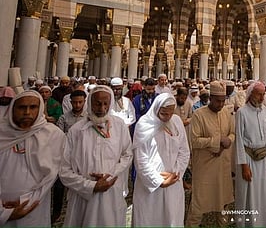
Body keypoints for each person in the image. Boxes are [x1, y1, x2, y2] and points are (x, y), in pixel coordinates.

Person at [60, 86, 133, 227]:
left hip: (111, 190)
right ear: (90, 103)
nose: (102, 108)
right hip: (82, 195)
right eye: (98, 103)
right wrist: (91, 185)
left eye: (106, 104)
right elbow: (64, 170)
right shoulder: (76, 131)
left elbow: (127, 154)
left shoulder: (119, 126)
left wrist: (109, 176)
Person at [0, 90, 65, 227]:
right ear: (12, 109)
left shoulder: (53, 135)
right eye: (22, 107)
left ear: (40, 108)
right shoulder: (2, 132)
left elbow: (50, 176)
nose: (27, 112)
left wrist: (26, 201)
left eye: (33, 107)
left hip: (35, 206)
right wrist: (3, 211)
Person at [132, 93, 190, 227]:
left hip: (174, 182)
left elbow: (184, 151)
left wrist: (175, 173)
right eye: (164, 113)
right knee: (149, 219)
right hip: (150, 187)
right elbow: (141, 160)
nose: (167, 117)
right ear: (156, 109)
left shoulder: (176, 122)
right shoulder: (144, 125)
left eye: (170, 113)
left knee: (172, 219)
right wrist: (158, 181)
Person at [187, 81, 235, 227]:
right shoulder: (199, 115)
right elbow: (194, 141)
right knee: (198, 203)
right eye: (218, 101)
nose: (221, 104)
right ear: (210, 98)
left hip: (222, 165)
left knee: (223, 201)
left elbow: (232, 133)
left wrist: (228, 141)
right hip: (204, 166)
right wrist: (216, 141)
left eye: (223, 101)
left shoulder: (226, 112)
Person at [235, 81, 266, 227]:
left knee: (263, 193)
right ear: (251, 94)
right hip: (248, 159)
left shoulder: (264, 110)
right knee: (248, 194)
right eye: (259, 94)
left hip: (263, 158)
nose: (262, 98)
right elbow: (238, 140)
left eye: (264, 94)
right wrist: (243, 165)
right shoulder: (242, 112)